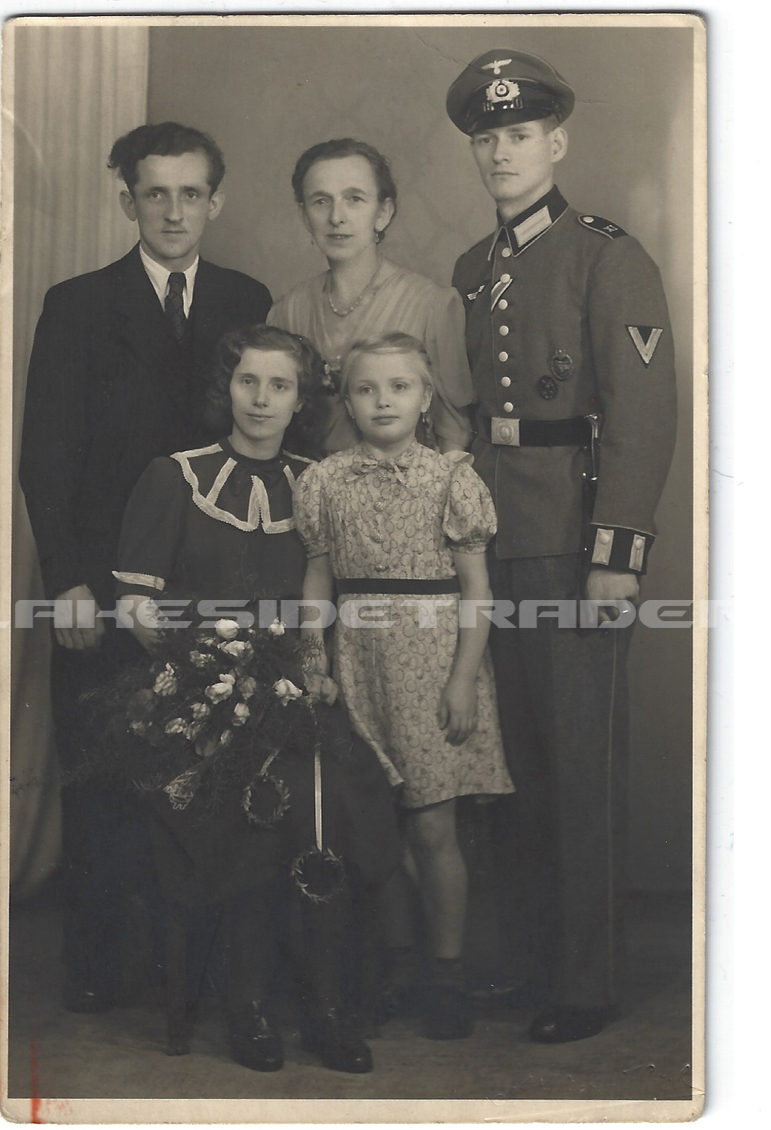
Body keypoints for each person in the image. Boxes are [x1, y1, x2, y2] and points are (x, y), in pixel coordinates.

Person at [445, 49, 677, 1043]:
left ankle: (586, 977)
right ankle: (525, 958)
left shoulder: (605, 252)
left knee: (578, 762)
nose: (499, 152)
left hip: (571, 536)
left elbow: (642, 414)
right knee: (510, 763)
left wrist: (615, 553)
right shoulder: (473, 266)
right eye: (484, 137)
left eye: (516, 134)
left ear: (556, 142)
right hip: (490, 537)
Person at [18, 122, 272, 1013]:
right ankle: (98, 971)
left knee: (204, 773)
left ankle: (194, 972)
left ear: (217, 201)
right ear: (126, 199)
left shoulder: (246, 297)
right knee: (102, 774)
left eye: (190, 193)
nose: (173, 210)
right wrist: (70, 587)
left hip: (211, 584)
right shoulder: (78, 303)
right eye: (154, 193)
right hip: (100, 583)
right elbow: (44, 458)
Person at [114, 324, 400, 1073]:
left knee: (338, 795)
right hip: (198, 694)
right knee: (254, 793)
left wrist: (307, 666)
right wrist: (206, 661)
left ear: (301, 398)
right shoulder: (174, 476)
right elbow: (137, 607)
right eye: (249, 382)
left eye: (280, 385)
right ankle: (249, 1006)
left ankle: (328, 1006)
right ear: (227, 387)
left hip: (299, 687)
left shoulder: (321, 480)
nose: (262, 399)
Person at [293, 332, 513, 1040]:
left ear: (425, 399)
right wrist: (313, 656)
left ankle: (444, 973)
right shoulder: (324, 481)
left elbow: (476, 593)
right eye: (365, 389)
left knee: (431, 826)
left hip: (434, 663)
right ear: (347, 402)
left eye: (399, 387)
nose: (382, 400)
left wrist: (460, 682)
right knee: (373, 829)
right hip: (358, 660)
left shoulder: (452, 478)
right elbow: (319, 577)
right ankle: (395, 965)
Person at [267, 138, 473, 454]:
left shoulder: (431, 306)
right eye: (321, 201)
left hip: (406, 497)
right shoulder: (287, 312)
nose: (337, 217)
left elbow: (454, 433)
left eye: (355, 199)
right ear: (305, 216)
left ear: (383, 212)